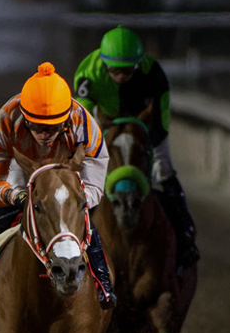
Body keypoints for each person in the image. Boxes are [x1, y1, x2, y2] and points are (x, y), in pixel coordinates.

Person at [0, 62, 116, 309]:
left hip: (66, 169)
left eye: (52, 128)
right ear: (24, 117)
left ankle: (103, 282)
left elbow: (96, 163)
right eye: (37, 126)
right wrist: (12, 195)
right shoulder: (6, 118)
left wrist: (81, 196)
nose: (45, 134)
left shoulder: (81, 120)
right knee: (3, 213)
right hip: (21, 166)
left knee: (79, 217)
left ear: (65, 119)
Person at [73, 25, 199, 271]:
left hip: (143, 126)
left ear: (137, 64)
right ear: (104, 63)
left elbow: (161, 122)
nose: (121, 76)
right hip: (104, 125)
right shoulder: (88, 72)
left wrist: (144, 147)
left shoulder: (154, 73)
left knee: (164, 172)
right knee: (76, 175)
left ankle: (185, 237)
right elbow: (82, 121)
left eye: (127, 71)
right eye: (115, 72)